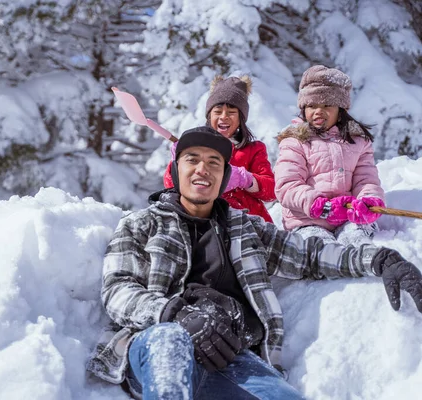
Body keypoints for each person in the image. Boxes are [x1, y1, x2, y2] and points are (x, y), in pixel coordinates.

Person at [86, 126, 422, 400]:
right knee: (169, 343)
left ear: (224, 177)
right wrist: (175, 314)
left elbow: (308, 255)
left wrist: (380, 258)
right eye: (192, 160)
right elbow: (117, 290)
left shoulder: (245, 227)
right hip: (158, 344)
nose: (203, 169)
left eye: (214, 163)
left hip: (231, 355)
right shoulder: (141, 223)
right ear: (176, 170)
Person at [274, 65, 385, 246]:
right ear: (303, 109)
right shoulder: (294, 142)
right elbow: (287, 186)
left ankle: (366, 261)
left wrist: (368, 201)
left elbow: (366, 180)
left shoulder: (358, 142)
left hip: (348, 218)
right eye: (312, 105)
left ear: (341, 110)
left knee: (358, 240)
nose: (318, 111)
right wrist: (321, 206)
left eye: (327, 105)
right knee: (320, 249)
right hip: (307, 220)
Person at [162, 75, 276, 222]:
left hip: (249, 223)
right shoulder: (196, 147)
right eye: (218, 111)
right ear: (209, 116)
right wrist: (178, 162)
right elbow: (170, 185)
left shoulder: (253, 149)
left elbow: (271, 191)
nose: (224, 117)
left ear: (241, 119)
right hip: (206, 223)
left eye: (231, 112)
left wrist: (245, 179)